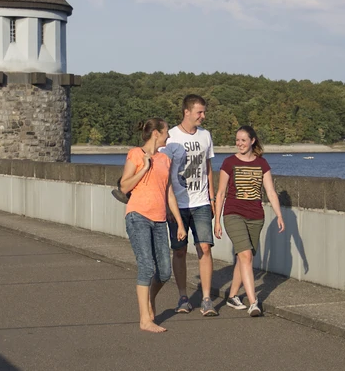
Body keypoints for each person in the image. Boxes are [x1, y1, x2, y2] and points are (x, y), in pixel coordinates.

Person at [120, 117, 185, 333]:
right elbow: (124, 186)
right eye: (166, 131)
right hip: (138, 215)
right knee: (147, 266)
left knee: (164, 272)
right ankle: (145, 319)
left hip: (159, 219)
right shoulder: (135, 154)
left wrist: (180, 222)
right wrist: (144, 168)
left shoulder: (166, 160)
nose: (169, 135)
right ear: (156, 133)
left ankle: (148, 301)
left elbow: (169, 193)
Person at [213, 124, 284, 317]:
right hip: (233, 213)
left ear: (252, 141)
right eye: (237, 140)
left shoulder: (262, 163)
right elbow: (220, 193)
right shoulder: (229, 162)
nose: (239, 144)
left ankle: (233, 295)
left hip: (256, 216)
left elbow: (270, 191)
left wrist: (279, 215)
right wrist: (217, 221)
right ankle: (254, 302)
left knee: (245, 257)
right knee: (245, 256)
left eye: (243, 140)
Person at [163, 94, 218, 316]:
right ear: (186, 112)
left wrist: (212, 198)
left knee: (204, 247)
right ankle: (183, 297)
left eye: (204, 112)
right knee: (179, 251)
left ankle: (206, 299)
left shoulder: (206, 136)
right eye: (199, 112)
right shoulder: (171, 137)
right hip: (177, 203)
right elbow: (163, 172)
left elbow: (208, 168)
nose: (203, 116)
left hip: (201, 201)